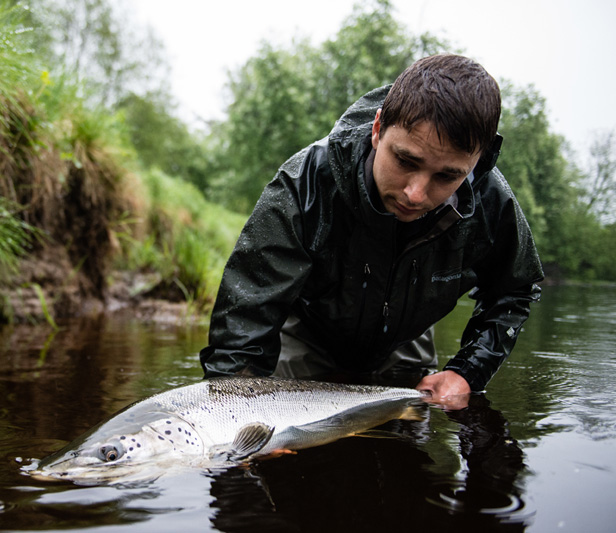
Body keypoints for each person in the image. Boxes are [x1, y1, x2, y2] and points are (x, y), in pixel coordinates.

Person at [199, 54, 543, 406]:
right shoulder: (303, 185)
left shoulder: (491, 203)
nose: (416, 194)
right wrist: (239, 411)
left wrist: (468, 371)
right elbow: (245, 324)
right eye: (406, 161)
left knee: (402, 448)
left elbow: (514, 290)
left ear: (476, 163)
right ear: (377, 129)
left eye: (447, 176)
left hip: (404, 343)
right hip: (308, 334)